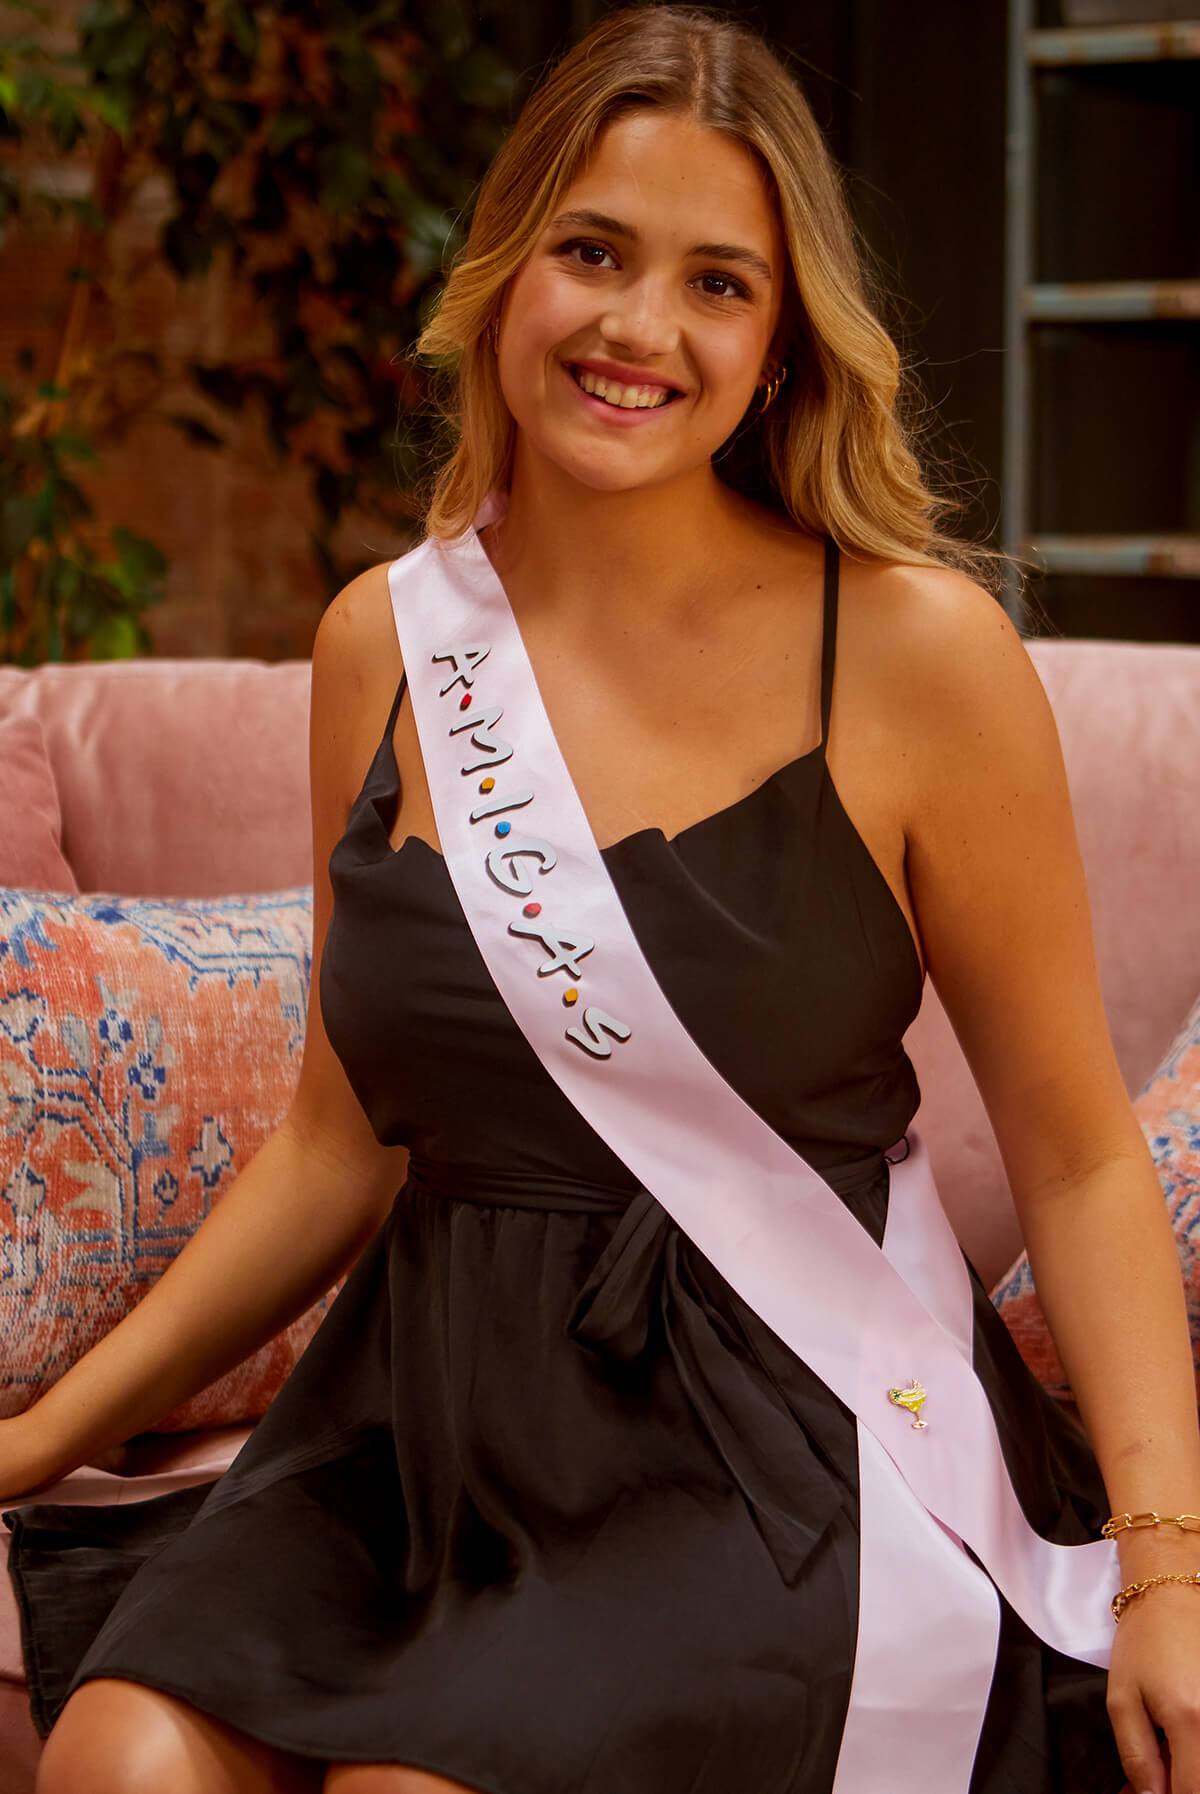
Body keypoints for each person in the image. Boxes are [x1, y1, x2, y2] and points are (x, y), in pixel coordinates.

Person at [4, 6, 1199, 1791]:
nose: (644, 328)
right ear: (504, 275)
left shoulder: (910, 653)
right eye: (593, 251)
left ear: (783, 339)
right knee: (118, 1761)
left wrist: (1172, 1563)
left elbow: (1084, 1155)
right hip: (427, 1424)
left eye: (720, 282)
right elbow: (342, 1141)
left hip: (766, 1444)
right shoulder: (384, 645)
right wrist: (36, 1436)